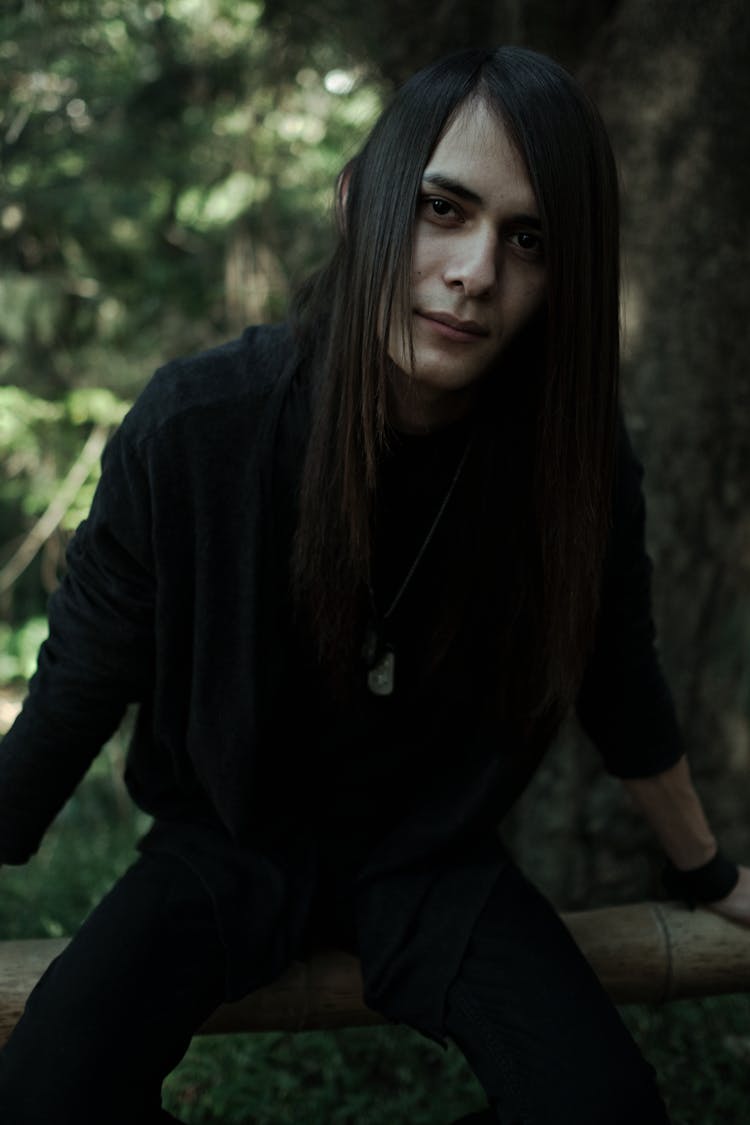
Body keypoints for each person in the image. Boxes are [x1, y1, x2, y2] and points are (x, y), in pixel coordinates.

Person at [0, 45, 747, 1125]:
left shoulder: (570, 465)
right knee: (42, 1097)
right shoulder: (196, 428)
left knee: (607, 1110)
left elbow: (618, 672)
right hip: (226, 848)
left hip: (431, 863)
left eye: (528, 241)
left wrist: (710, 873)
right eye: (444, 208)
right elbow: (76, 688)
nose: (476, 272)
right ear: (361, 199)